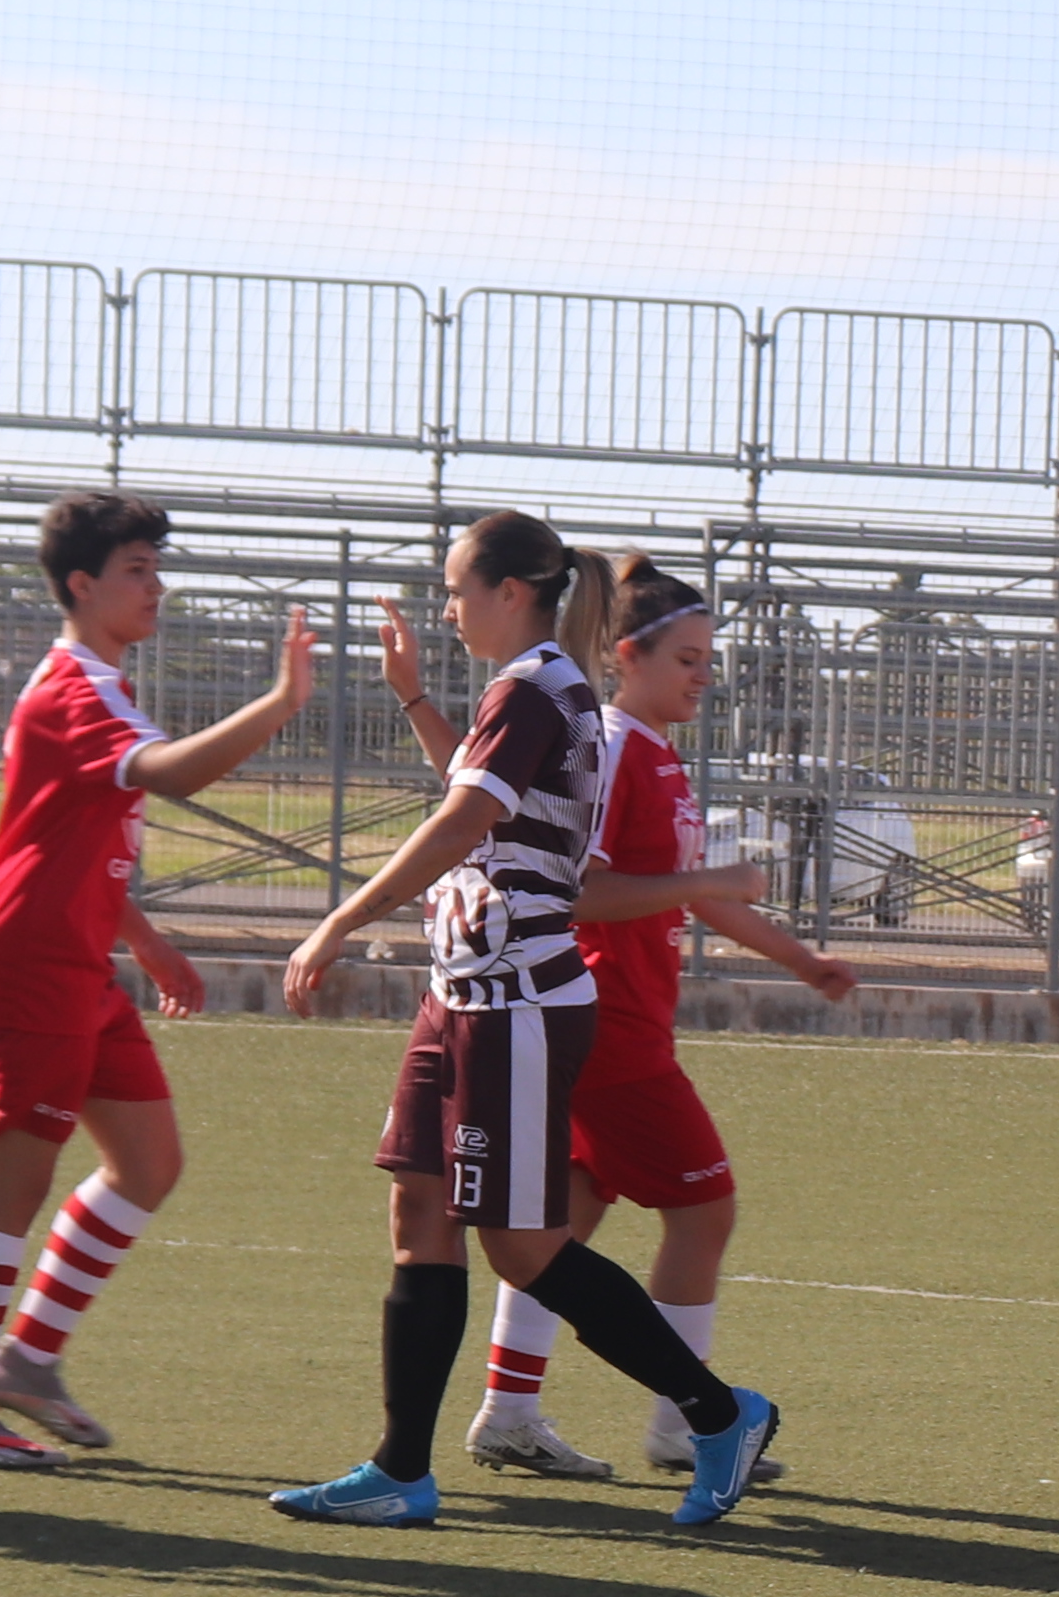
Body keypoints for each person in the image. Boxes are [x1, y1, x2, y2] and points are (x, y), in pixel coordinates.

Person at [265, 514, 780, 1528]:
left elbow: (464, 817)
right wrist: (414, 695)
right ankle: (400, 1469)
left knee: (526, 1248)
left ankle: (719, 1415)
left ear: (512, 591)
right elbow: (477, 781)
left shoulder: (538, 686)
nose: (446, 605)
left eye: (456, 586)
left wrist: (339, 919)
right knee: (419, 1213)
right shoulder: (531, 691)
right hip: (462, 997)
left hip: (522, 1004)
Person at [0, 491, 315, 1465]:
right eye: (137, 569)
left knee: (148, 1164)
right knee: (8, 1191)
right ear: (81, 584)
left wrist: (139, 937)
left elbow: (63, 834)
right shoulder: (77, 689)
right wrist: (279, 702)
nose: (157, 586)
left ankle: (27, 1361)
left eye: (156, 566)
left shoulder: (97, 683)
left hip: (78, 961)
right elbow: (170, 777)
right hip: (29, 964)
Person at [460, 554, 859, 1483]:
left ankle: (509, 1413)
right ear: (626, 656)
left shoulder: (655, 753)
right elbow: (579, 892)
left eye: (706, 657)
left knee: (564, 1224)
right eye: (686, 657)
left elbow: (690, 898)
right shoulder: (607, 748)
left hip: (618, 1021)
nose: (702, 674)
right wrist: (709, 880)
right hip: (610, 1029)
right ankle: (688, 1423)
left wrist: (797, 957)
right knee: (703, 1209)